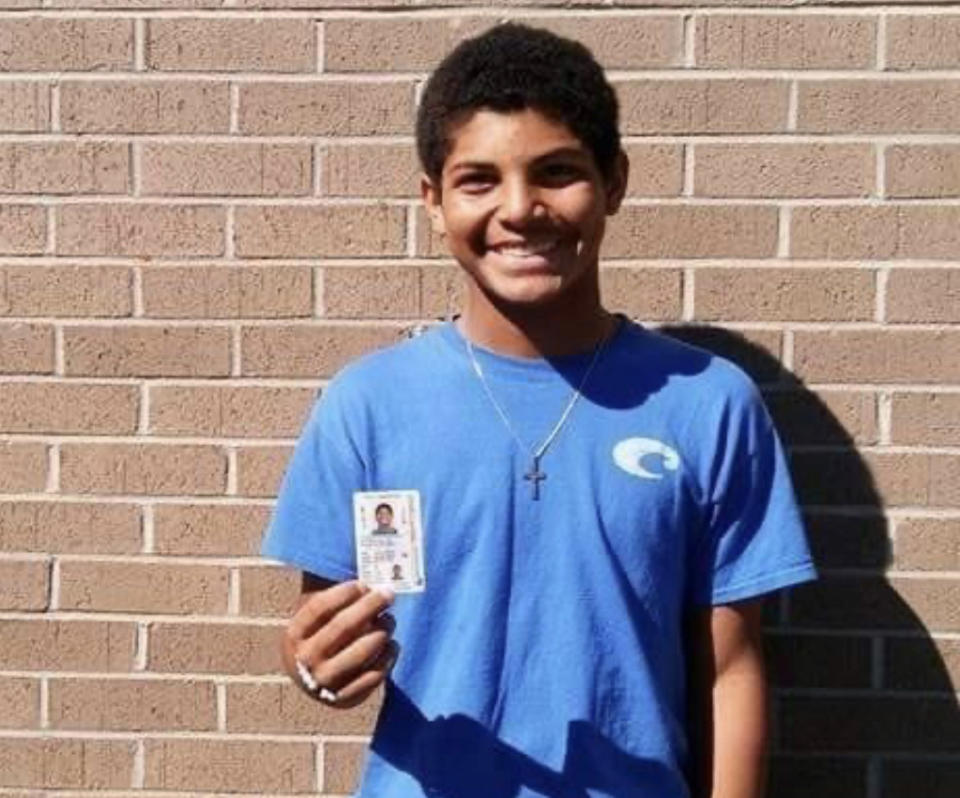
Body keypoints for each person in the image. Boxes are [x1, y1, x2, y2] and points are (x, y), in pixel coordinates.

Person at [261, 22, 817, 798]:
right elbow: (323, 632)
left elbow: (731, 665)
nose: (520, 209)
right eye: (479, 179)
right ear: (433, 201)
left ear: (614, 182)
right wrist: (314, 669)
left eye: (556, 172)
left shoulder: (708, 404)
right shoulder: (367, 404)